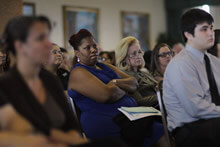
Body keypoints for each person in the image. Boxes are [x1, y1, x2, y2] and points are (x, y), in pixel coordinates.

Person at [68, 29, 166, 147]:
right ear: (77, 53)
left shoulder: (103, 66)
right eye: (87, 48)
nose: (94, 49)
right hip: (106, 122)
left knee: (163, 122)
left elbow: (134, 83)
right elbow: (107, 95)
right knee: (158, 129)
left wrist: (114, 82)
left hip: (130, 115)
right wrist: (122, 87)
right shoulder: (78, 72)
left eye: (94, 46)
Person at [0, 15, 87, 146]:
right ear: (20, 46)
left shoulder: (50, 80)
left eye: (47, 37)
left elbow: (72, 127)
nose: (48, 44)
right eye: (40, 38)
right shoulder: (5, 85)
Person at [163, 8, 220, 147]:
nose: (211, 33)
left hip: (212, 120)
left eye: (211, 28)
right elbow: (195, 108)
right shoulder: (181, 64)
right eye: (204, 29)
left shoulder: (214, 61)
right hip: (189, 127)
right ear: (188, 34)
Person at [115, 36, 158, 107]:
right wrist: (162, 96)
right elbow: (139, 102)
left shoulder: (144, 72)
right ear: (123, 57)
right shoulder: (124, 76)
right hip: (150, 112)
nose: (138, 56)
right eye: (134, 54)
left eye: (139, 52)